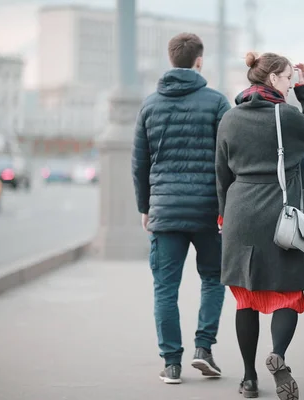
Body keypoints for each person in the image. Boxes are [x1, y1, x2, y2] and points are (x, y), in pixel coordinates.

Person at [216, 51, 304, 399]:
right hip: (279, 216)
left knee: (246, 299)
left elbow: (221, 174)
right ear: (273, 80)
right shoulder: (287, 115)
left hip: (239, 214)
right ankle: (277, 355)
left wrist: (222, 215)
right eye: (289, 79)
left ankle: (249, 380)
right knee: (287, 294)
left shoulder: (230, 118)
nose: (292, 83)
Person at [131, 32, 231, 385]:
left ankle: (171, 363)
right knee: (213, 280)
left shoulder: (149, 105)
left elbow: (139, 164)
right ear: (199, 61)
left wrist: (146, 206)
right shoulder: (218, 103)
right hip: (209, 212)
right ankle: (203, 348)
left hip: (166, 212)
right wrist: (227, 206)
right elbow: (228, 161)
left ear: (171, 59)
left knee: (165, 288)